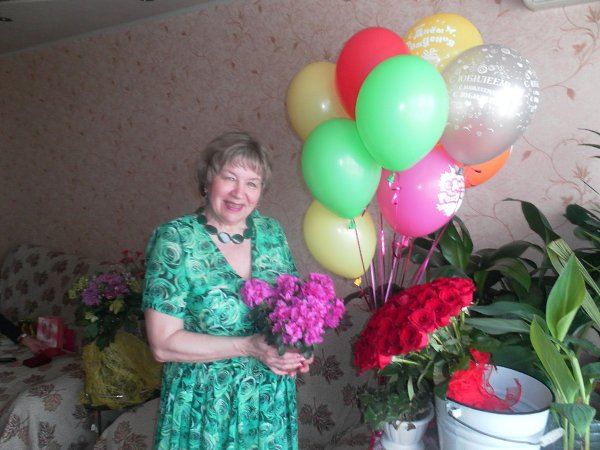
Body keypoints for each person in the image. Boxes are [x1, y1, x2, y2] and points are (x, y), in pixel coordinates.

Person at [143, 131, 312, 450]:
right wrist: (249, 346)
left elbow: (294, 311)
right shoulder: (176, 240)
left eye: (252, 183)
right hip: (204, 407)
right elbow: (163, 345)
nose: (239, 193)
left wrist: (298, 349)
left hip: (267, 407)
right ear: (208, 180)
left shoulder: (272, 233)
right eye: (229, 178)